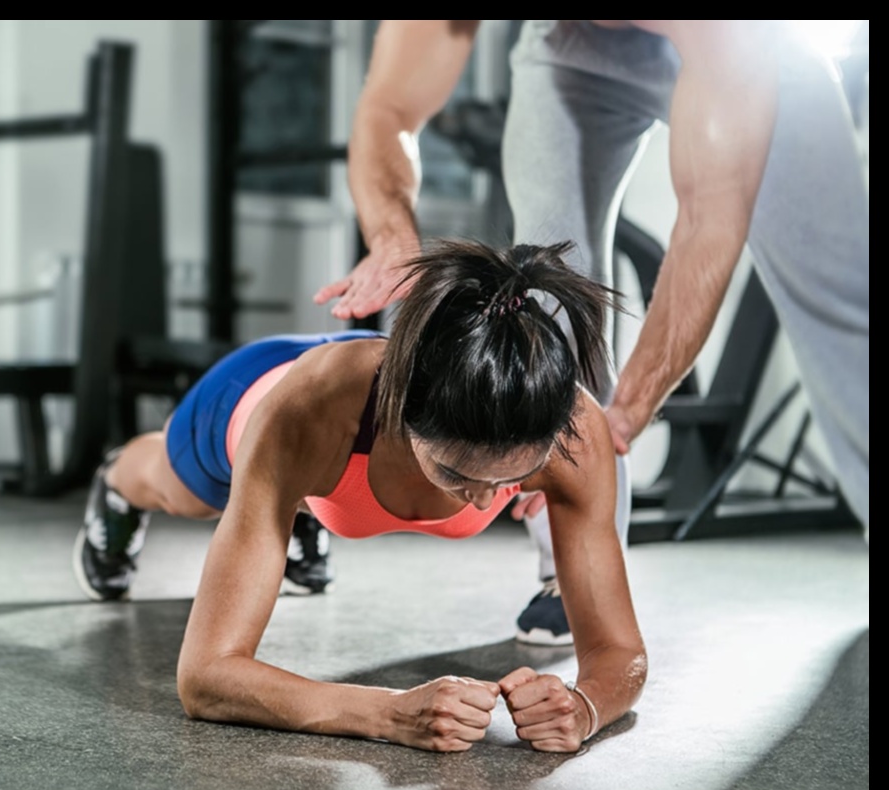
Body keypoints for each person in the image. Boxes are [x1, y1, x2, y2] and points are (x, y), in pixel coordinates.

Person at [314, 20, 870, 643]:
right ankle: (571, 567)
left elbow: (709, 223)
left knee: (843, 298)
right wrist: (391, 239)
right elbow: (389, 108)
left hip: (749, 47)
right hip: (573, 55)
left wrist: (627, 411)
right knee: (548, 286)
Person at [73, 240, 646, 753]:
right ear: (404, 418)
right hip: (250, 401)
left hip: (332, 446)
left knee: (288, 504)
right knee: (182, 492)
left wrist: (584, 708)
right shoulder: (308, 413)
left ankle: (294, 513)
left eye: (510, 479)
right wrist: (389, 713)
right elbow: (205, 677)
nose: (481, 504)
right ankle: (118, 479)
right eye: (457, 473)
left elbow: (621, 652)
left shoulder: (577, 436)